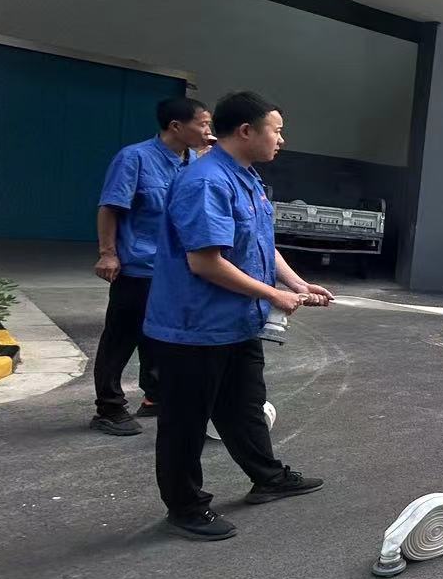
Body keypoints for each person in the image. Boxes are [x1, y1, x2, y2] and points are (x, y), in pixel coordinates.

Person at [143, 91, 333, 541]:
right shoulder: (206, 182)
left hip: (236, 322)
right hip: (194, 327)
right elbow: (205, 263)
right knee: (186, 422)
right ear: (247, 131)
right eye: (277, 131)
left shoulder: (246, 178)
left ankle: (267, 477)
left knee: (244, 406)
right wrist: (273, 295)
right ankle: (185, 508)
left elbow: (260, 242)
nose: (281, 140)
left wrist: (297, 283)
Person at [90, 97, 213, 436]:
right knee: (121, 337)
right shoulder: (135, 158)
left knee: (161, 334)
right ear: (176, 126)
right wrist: (108, 253)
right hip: (139, 266)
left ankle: (154, 396)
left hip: (176, 269)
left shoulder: (196, 163)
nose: (208, 131)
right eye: (203, 124)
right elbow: (110, 208)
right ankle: (109, 407)